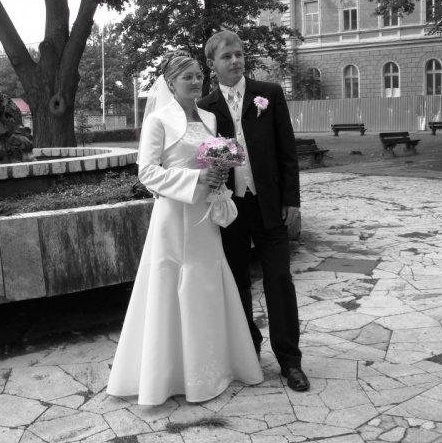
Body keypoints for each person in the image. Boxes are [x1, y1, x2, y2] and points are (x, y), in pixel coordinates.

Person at [106, 52, 263, 406]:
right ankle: (171, 375)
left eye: (198, 76)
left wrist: (218, 175)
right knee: (172, 285)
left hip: (205, 217)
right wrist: (196, 179)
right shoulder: (158, 120)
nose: (195, 82)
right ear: (170, 83)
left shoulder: (209, 117)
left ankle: (213, 367)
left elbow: (213, 160)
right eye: (187, 77)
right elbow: (147, 173)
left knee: (207, 283)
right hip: (174, 217)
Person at [198, 30, 309, 392]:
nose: (235, 61)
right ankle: (249, 352)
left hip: (269, 205)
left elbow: (287, 151)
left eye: (239, 54)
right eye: (226, 56)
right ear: (212, 64)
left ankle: (290, 361)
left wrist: (292, 200)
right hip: (229, 208)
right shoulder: (204, 107)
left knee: (279, 280)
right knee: (237, 284)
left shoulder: (269, 94)